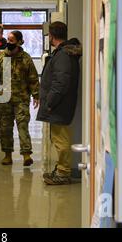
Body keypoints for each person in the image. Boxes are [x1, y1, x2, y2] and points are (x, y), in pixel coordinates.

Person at [37, 22, 82, 185]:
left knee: (61, 140)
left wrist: (49, 102)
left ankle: (63, 173)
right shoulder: (63, 53)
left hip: (59, 105)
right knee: (58, 138)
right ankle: (61, 168)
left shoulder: (63, 55)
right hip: (60, 104)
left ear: (52, 36)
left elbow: (60, 82)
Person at [0, 31, 40, 167]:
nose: (9, 42)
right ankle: (7, 155)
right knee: (5, 127)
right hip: (4, 98)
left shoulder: (26, 58)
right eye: (8, 39)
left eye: (12, 40)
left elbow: (33, 77)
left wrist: (36, 94)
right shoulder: (1, 57)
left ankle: (26, 154)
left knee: (22, 125)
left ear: (19, 42)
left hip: (21, 98)